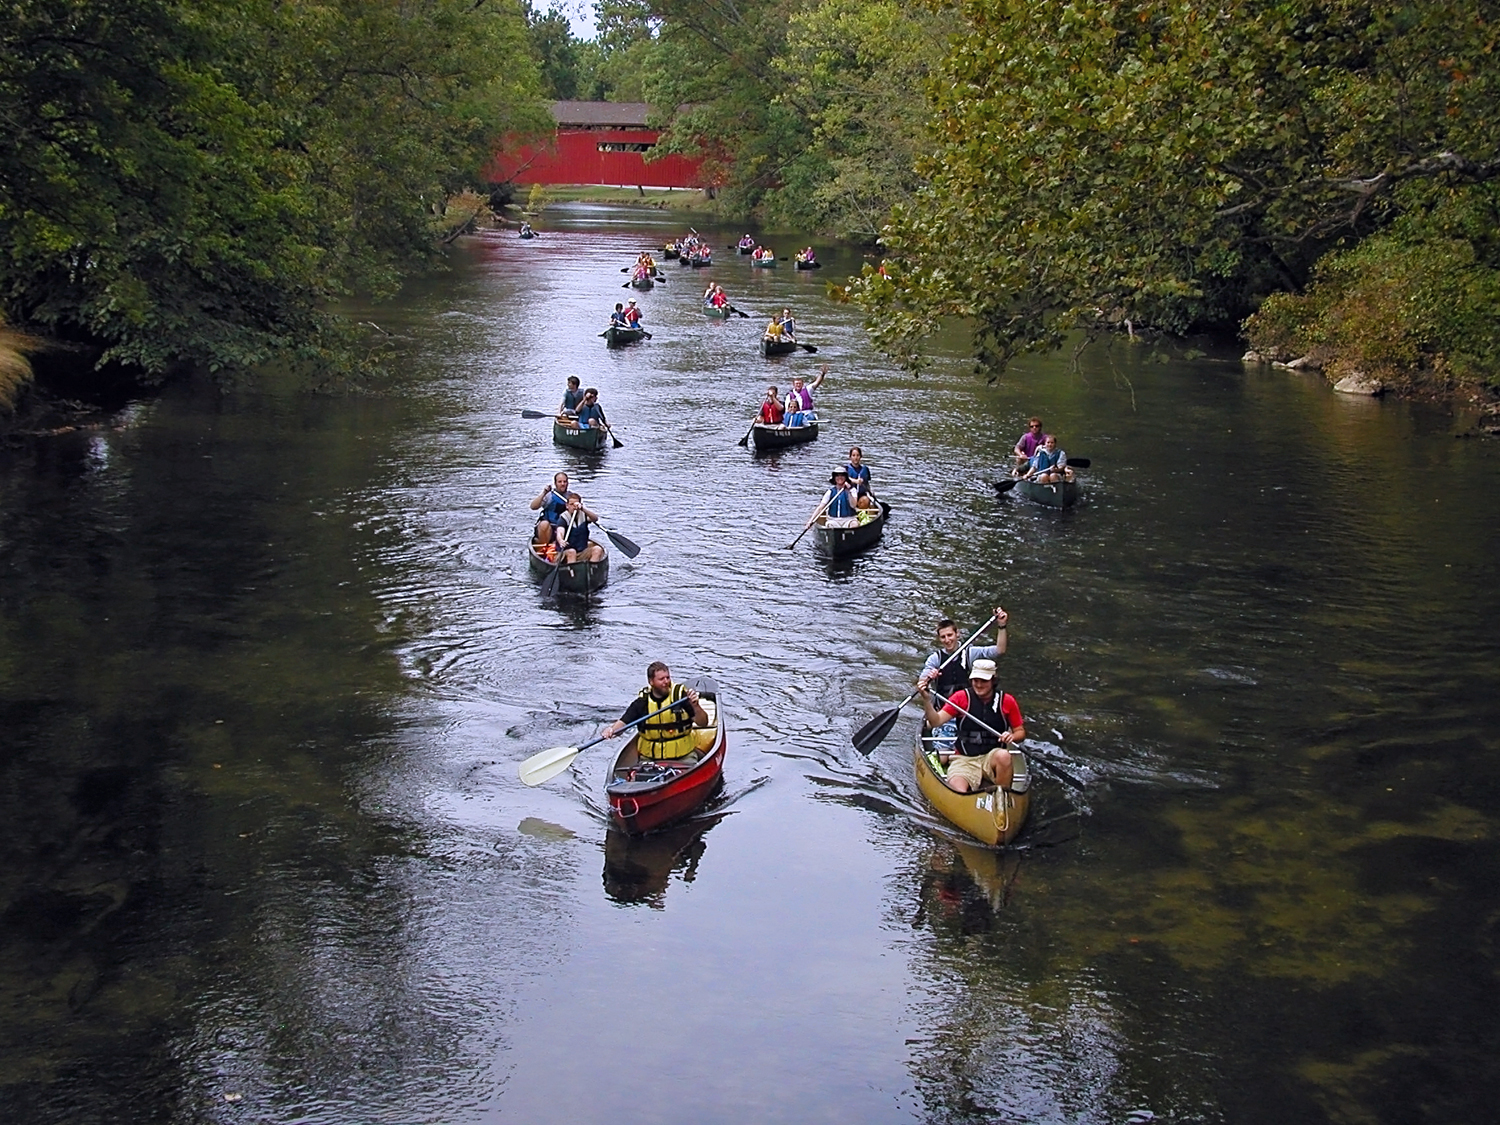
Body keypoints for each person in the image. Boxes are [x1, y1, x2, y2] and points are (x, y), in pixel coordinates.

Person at [917, 658, 1024, 793]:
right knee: (957, 790)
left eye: (984, 681)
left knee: (1004, 756)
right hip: (964, 758)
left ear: (993, 681)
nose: (978, 685)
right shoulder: (960, 698)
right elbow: (936, 721)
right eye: (975, 680)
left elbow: (1020, 732)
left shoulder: (1007, 701)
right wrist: (926, 700)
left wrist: (1012, 736)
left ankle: (1001, 796)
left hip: (992, 758)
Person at [602, 661, 710, 760]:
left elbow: (703, 722)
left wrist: (695, 706)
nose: (666, 682)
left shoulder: (681, 697)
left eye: (668, 677)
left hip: (683, 757)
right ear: (651, 682)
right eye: (661, 679)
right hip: (650, 759)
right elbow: (624, 722)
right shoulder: (642, 702)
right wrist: (611, 730)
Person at [554, 492, 606, 564]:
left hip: (581, 551)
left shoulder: (583, 515)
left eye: (576, 504)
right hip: (565, 553)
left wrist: (583, 509)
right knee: (572, 552)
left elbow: (595, 518)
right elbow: (560, 532)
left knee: (598, 549)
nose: (573, 507)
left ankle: (592, 570)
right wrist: (561, 540)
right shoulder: (563, 518)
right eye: (571, 504)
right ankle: (572, 573)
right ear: (567, 505)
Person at [529, 471, 570, 548]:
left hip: (564, 528)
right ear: (555, 483)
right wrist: (544, 493)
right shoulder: (549, 495)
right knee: (544, 524)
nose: (562, 484)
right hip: (550, 527)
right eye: (560, 482)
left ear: (567, 483)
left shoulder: (571, 497)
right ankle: (545, 548)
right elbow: (533, 507)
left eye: (565, 481)